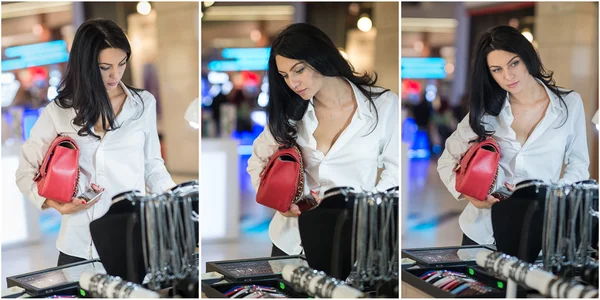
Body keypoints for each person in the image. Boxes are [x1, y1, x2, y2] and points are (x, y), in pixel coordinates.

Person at [15, 19, 175, 266]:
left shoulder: (142, 104)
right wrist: (55, 204)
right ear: (86, 65)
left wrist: (176, 203)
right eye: (105, 67)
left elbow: (152, 166)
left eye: (121, 64)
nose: (115, 75)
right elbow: (25, 172)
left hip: (131, 242)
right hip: (78, 244)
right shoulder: (60, 111)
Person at [247, 23, 399, 257]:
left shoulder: (384, 105)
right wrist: (281, 203)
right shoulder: (290, 113)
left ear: (321, 57)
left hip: (353, 242)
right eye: (284, 75)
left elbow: (395, 171)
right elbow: (256, 163)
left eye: (299, 70)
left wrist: (368, 213)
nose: (292, 83)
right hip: (291, 242)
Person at [438, 25, 590, 246]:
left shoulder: (568, 104)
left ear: (527, 58)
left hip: (541, 228)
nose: (508, 76)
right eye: (496, 70)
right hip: (483, 230)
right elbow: (446, 160)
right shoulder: (487, 111)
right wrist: (472, 197)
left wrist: (552, 199)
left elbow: (578, 164)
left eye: (514, 63)